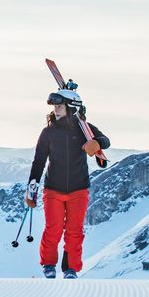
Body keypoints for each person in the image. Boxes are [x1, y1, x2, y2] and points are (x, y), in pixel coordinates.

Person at [26, 89, 110, 279]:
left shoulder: (84, 129)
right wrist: (32, 188)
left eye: (60, 106)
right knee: (53, 229)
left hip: (78, 189)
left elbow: (106, 141)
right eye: (55, 106)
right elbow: (39, 161)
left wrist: (96, 143)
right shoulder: (48, 132)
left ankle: (70, 269)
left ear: (70, 108)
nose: (56, 110)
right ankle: (48, 265)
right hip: (53, 188)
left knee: (74, 231)